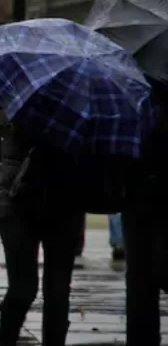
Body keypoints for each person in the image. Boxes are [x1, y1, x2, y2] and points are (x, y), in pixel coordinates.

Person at [0, 100, 84, 346]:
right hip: (17, 201)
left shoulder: (81, 106)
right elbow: (4, 124)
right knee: (23, 288)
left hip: (64, 202)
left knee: (57, 290)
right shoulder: (19, 94)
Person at [121, 83, 167, 344]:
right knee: (140, 273)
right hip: (141, 190)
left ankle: (141, 337)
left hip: (141, 188)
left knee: (141, 274)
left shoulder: (134, 84)